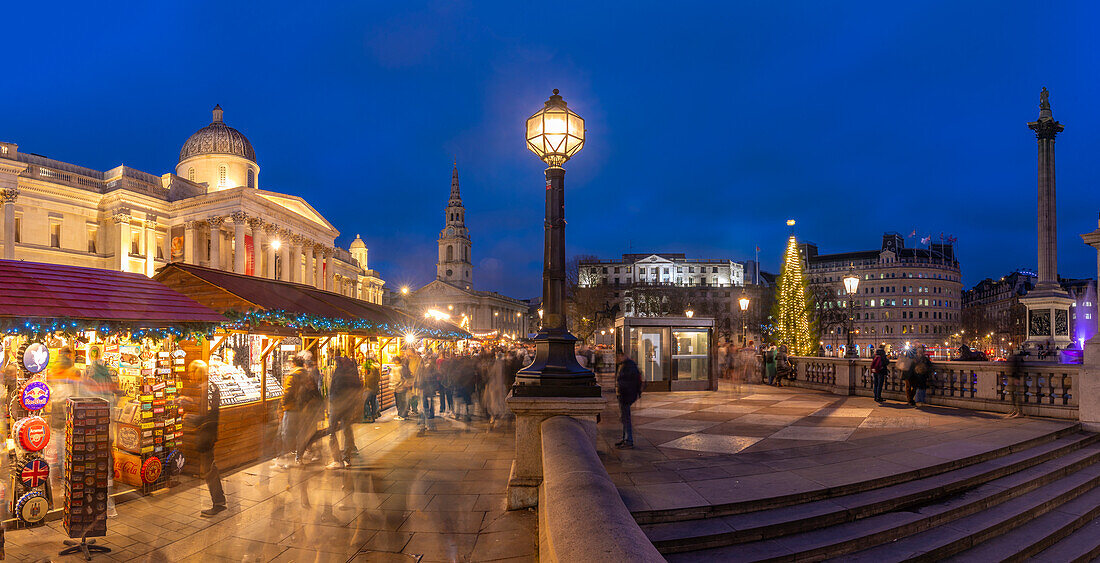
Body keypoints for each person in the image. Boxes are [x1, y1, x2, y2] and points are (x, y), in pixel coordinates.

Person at [182, 360, 226, 517]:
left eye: (191, 372)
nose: (189, 375)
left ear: (198, 372)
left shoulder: (206, 389)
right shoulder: (210, 387)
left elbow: (207, 415)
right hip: (209, 433)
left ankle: (218, 503)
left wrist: (190, 418)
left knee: (209, 469)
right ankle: (219, 501)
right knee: (210, 468)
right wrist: (191, 401)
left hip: (206, 434)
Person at [325, 354, 363, 469]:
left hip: (337, 405)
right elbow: (357, 388)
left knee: (332, 430)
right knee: (347, 430)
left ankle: (337, 459)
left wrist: (331, 402)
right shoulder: (353, 371)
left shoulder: (339, 372)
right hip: (349, 406)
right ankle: (347, 458)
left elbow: (334, 389)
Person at [615, 348, 643, 449]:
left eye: (618, 357)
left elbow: (627, 381)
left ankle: (628, 440)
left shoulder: (628, 366)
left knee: (626, 418)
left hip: (626, 395)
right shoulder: (626, 365)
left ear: (623, 355)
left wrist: (621, 390)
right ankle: (625, 438)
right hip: (624, 395)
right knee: (624, 418)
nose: (616, 359)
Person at [362, 354, 381, 423]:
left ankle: (369, 416)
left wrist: (366, 385)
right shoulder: (375, 368)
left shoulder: (369, 368)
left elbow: (370, 378)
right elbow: (377, 378)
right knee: (373, 402)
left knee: (365, 402)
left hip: (369, 388)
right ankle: (373, 416)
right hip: (374, 388)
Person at [1007, 351, 1025, 417]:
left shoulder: (1015, 358)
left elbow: (1017, 368)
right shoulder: (1013, 357)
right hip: (1011, 377)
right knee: (1012, 394)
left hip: (1014, 378)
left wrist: (1017, 378)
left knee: (1017, 395)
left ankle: (1019, 412)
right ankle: (1015, 410)